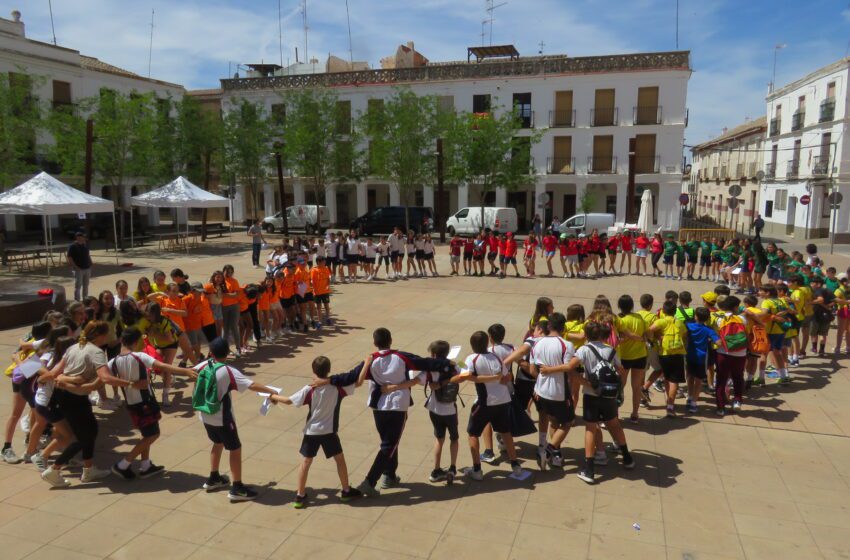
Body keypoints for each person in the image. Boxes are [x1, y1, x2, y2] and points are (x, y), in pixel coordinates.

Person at [322, 328, 454, 498]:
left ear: (374, 343)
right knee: (389, 445)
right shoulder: (402, 357)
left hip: (378, 407)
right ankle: (370, 482)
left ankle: (390, 475)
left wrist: (328, 380)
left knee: (389, 442)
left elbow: (350, 376)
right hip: (398, 406)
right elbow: (426, 363)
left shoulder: (371, 360)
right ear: (390, 340)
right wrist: (447, 363)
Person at [40, 321, 135, 487]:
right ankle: (54, 469)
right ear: (100, 335)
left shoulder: (73, 347)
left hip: (65, 397)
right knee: (85, 436)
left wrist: (65, 379)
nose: (110, 336)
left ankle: (88, 469)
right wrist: (131, 384)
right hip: (76, 399)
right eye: (108, 333)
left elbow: (54, 373)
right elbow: (105, 378)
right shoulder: (97, 352)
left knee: (89, 432)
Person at [193, 337, 281, 502]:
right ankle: (237, 487)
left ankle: (214, 478)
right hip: (222, 418)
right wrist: (271, 391)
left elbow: (190, 372)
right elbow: (251, 385)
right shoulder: (228, 371)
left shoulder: (203, 365)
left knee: (217, 443)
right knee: (235, 448)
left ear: (211, 353)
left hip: (204, 414)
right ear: (227, 353)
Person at [269, 356, 362, 508]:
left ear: (313, 370)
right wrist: (366, 365)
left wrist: (272, 396)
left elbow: (288, 400)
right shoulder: (338, 387)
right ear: (329, 370)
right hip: (329, 431)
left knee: (306, 462)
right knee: (339, 459)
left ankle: (300, 495)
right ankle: (346, 491)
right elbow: (358, 383)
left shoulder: (310, 388)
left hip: (311, 431)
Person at [109, 328, 197, 480]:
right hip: (145, 402)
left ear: (122, 341)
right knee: (153, 434)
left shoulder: (113, 361)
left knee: (146, 434)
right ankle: (123, 464)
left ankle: (145, 466)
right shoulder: (139, 356)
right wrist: (185, 371)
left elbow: (103, 378)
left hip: (131, 403)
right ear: (136, 342)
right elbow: (163, 366)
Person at [566, 321, 635, 484]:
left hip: (591, 395)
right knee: (615, 424)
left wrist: (583, 381)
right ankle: (627, 457)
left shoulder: (584, 350)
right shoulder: (611, 350)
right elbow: (620, 369)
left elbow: (570, 367)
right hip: (609, 395)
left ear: (586, 335)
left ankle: (589, 469)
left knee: (591, 429)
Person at [453, 331, 523, 480]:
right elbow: (507, 377)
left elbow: (464, 376)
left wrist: (455, 367)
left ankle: (477, 469)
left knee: (473, 434)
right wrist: (496, 379)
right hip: (503, 401)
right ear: (487, 342)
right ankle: (516, 465)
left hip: (484, 403)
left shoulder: (472, 358)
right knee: (505, 432)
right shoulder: (496, 357)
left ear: (472, 344)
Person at [530, 312, 575, 469]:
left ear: (548, 325)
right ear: (563, 328)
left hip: (540, 391)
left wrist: (540, 384)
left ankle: (555, 454)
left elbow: (534, 369)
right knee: (568, 422)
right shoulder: (566, 345)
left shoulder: (537, 344)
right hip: (559, 392)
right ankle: (548, 451)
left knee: (553, 421)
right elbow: (568, 368)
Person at [649, 300, 687, 417]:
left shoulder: (662, 321)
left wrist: (656, 338)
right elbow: (685, 334)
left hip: (664, 354)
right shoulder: (679, 322)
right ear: (675, 311)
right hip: (678, 354)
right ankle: (670, 406)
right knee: (674, 382)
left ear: (664, 311)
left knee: (666, 377)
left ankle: (668, 400)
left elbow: (649, 330)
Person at [713, 296, 748, 415]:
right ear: (735, 307)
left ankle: (720, 408)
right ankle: (737, 401)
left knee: (721, 379)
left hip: (723, 352)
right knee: (738, 377)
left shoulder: (719, 319)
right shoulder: (742, 319)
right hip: (740, 353)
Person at [684, 307, 719, 414]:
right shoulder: (708, 330)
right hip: (702, 358)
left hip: (689, 356)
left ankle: (689, 397)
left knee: (689, 377)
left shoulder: (689, 326)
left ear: (695, 316)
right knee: (698, 381)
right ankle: (694, 403)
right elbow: (718, 342)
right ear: (707, 318)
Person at [810, 276, 835, 356]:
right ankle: (822, 350)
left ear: (818, 284)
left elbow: (820, 300)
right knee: (823, 334)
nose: (811, 284)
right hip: (826, 315)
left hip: (815, 314)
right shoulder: (828, 291)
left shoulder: (817, 291)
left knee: (814, 333)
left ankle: (814, 348)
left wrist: (810, 302)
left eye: (813, 283)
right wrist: (828, 307)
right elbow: (834, 301)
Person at [67, 231, 92, 301]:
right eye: (82, 237)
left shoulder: (85, 245)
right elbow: (69, 257)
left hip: (87, 268)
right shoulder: (73, 246)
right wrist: (75, 267)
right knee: (78, 286)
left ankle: (85, 300)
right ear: (78, 237)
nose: (84, 238)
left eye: (84, 237)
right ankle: (77, 301)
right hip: (79, 269)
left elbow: (87, 255)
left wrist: (91, 263)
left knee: (86, 285)